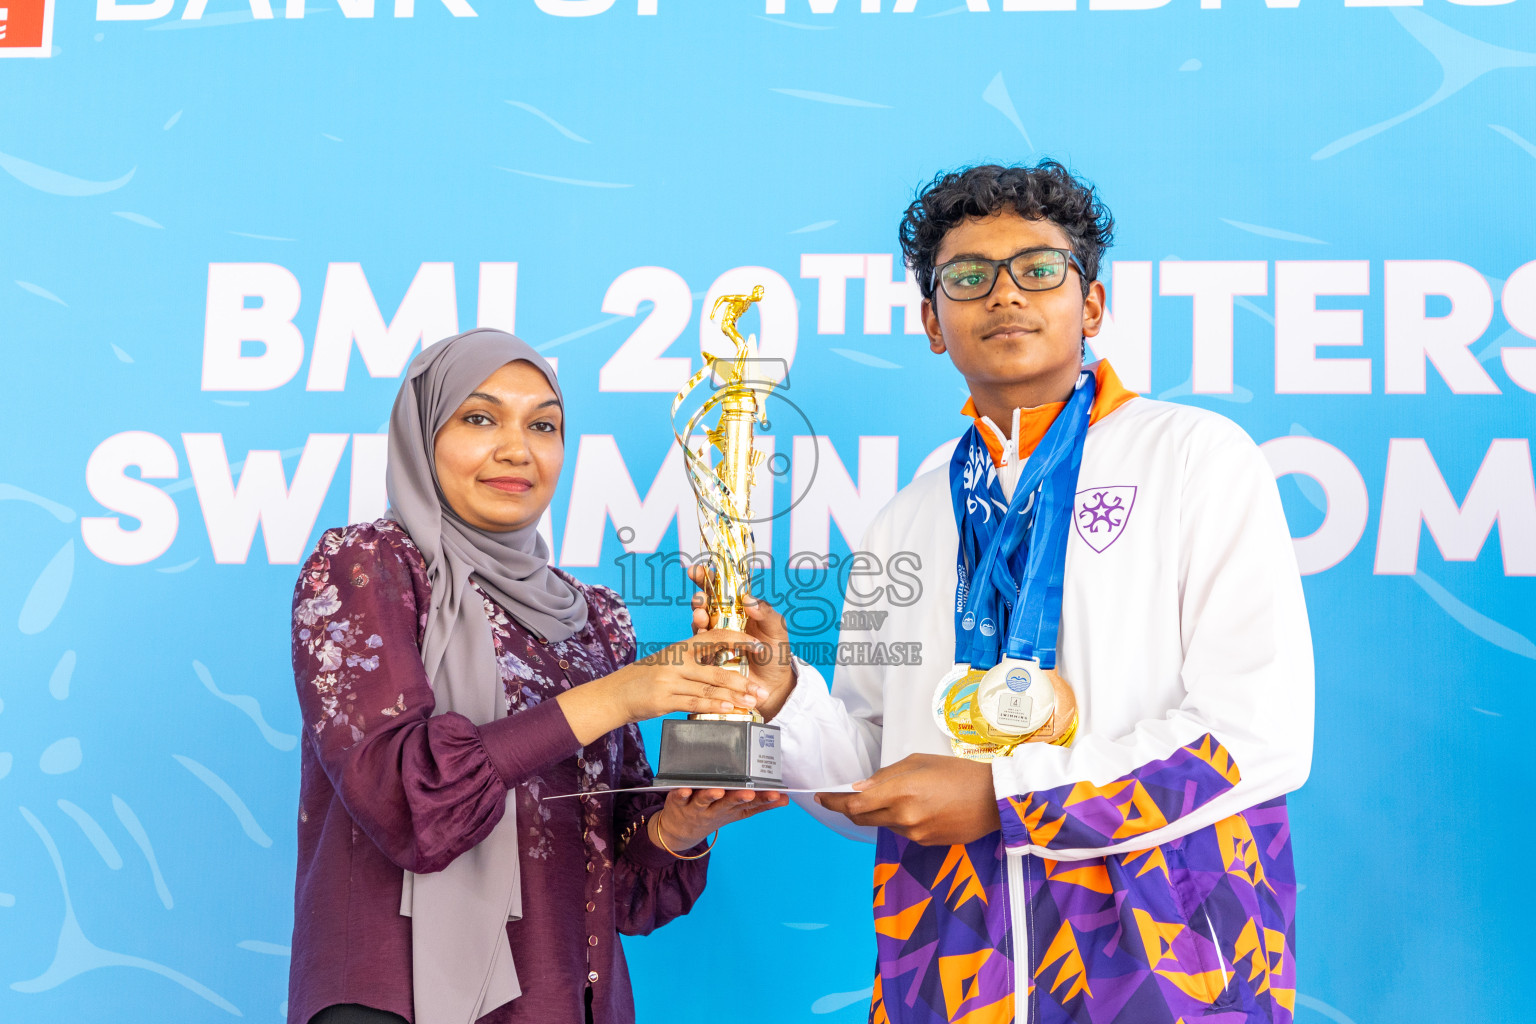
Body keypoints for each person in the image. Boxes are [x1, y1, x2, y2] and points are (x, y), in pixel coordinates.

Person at [711, 163, 1313, 1024]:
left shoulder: (1195, 458)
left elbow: (1254, 737)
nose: (1004, 295)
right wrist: (787, 702)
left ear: (1091, 305)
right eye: (968, 276)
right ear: (931, 322)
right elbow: (878, 777)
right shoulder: (905, 518)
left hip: (1167, 957)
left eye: (1038, 268)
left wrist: (1007, 796)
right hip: (950, 966)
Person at [287, 329, 782, 1024]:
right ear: (422, 432)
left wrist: (680, 823)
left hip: (565, 1001)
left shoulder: (593, 619)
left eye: (544, 425)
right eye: (480, 417)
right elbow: (402, 797)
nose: (518, 448)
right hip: (395, 999)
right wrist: (617, 696)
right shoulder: (365, 568)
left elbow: (625, 887)